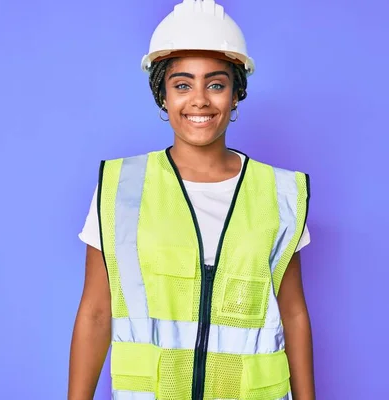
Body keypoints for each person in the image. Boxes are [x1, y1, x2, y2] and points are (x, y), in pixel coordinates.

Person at [68, 0, 316, 399]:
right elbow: (96, 312)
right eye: (182, 84)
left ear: (236, 94)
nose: (199, 99)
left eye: (216, 84)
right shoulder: (122, 187)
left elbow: (293, 313)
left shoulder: (279, 192)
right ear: (162, 96)